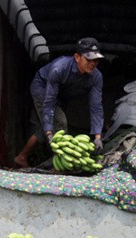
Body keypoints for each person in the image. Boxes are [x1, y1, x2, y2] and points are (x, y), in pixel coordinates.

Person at [14, 37, 106, 168]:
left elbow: (96, 106)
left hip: (62, 95)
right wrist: (49, 133)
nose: (93, 63)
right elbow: (49, 102)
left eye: (96, 60)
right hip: (43, 88)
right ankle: (58, 162)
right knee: (60, 122)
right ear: (77, 57)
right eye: (89, 59)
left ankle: (21, 157)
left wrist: (97, 136)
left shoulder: (96, 77)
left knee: (50, 124)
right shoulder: (60, 69)